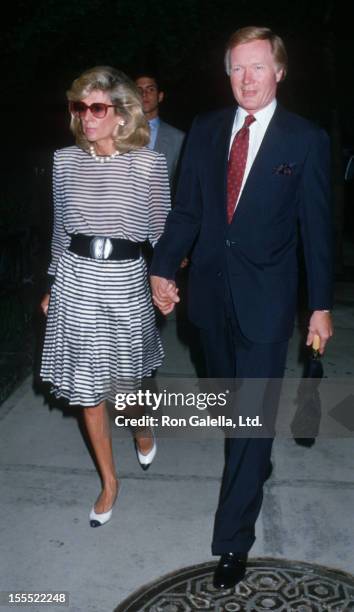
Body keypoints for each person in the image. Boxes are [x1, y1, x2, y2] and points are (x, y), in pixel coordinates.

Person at [150, 27, 333, 589]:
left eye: (258, 68)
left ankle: (232, 540)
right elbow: (185, 213)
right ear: (226, 72)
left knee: (250, 422)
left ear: (280, 72)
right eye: (237, 68)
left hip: (267, 303)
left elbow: (317, 231)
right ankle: (251, 462)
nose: (247, 79)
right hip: (207, 298)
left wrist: (320, 307)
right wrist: (161, 267)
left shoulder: (304, 140)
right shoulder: (206, 130)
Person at [40, 66, 170, 528]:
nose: (86, 116)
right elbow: (60, 229)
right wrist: (54, 282)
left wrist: (167, 279)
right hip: (76, 281)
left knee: (125, 385)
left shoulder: (149, 164)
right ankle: (110, 482)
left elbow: (163, 232)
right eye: (80, 107)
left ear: (121, 114)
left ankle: (141, 425)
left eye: (97, 107)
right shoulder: (64, 161)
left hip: (124, 281)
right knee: (87, 389)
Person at [135, 73, 185, 191]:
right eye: (139, 90)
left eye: (150, 89)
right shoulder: (119, 133)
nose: (144, 94)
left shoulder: (178, 138)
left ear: (160, 96)